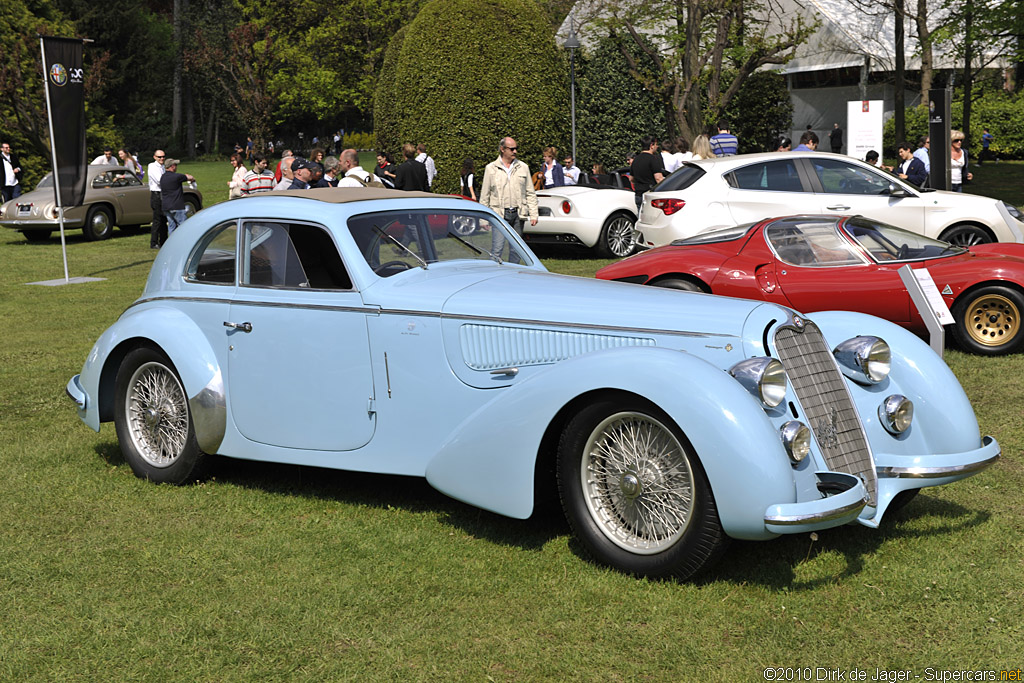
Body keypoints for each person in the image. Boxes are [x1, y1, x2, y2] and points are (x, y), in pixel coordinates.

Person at [479, 136, 537, 255]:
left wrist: (534, 214)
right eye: (512, 149)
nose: (515, 151)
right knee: (497, 248)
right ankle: (495, 272)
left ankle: (514, 273)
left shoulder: (523, 167)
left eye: (516, 148)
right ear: (502, 149)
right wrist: (483, 220)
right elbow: (485, 195)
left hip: (518, 214)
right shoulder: (491, 168)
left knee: (517, 249)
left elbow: (530, 192)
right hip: (499, 215)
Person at [160, 158, 195, 235]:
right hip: (176, 206)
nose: (176, 167)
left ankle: (172, 245)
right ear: (172, 166)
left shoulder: (163, 177)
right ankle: (184, 243)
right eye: (175, 165)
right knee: (183, 226)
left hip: (166, 207)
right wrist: (193, 180)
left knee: (171, 227)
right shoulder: (177, 177)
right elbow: (190, 177)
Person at [630, 136, 665, 210]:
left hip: (638, 194)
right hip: (650, 194)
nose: (657, 146)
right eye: (656, 144)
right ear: (651, 145)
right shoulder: (653, 159)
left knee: (641, 217)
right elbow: (658, 178)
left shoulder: (635, 160)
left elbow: (631, 178)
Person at [147, 150, 167, 248]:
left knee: (164, 219)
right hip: (156, 195)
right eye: (159, 157)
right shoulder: (152, 166)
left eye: (163, 157)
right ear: (155, 157)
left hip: (163, 194)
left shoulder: (163, 167)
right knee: (157, 220)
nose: (162, 159)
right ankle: (154, 242)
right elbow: (160, 181)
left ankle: (163, 241)